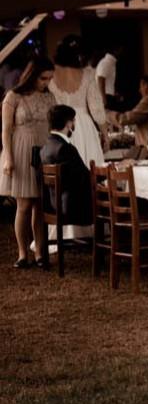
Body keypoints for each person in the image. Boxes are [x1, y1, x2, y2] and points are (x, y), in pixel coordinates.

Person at [1, 57, 56, 269]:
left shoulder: (49, 96)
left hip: (44, 150)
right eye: (43, 78)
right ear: (32, 75)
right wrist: (8, 157)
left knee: (41, 205)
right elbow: (5, 130)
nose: (46, 82)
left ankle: (41, 252)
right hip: (21, 150)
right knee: (24, 205)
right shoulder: (13, 96)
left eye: (50, 78)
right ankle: (23, 253)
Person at [49, 36, 106, 170]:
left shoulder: (50, 74)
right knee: (89, 169)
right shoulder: (87, 74)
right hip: (84, 126)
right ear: (78, 55)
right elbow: (96, 108)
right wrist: (105, 134)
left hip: (59, 125)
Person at [40, 104, 93, 228]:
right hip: (72, 208)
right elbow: (85, 177)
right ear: (69, 123)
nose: (74, 124)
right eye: (74, 120)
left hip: (52, 205)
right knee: (115, 199)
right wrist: (114, 170)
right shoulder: (65, 148)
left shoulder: (46, 147)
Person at [111, 74, 148, 147]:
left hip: (146, 144)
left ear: (147, 86)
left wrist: (108, 115)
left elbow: (128, 118)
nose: (139, 90)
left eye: (141, 86)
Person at [95, 42, 121, 110]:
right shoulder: (106, 62)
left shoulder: (111, 62)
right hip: (106, 97)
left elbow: (108, 81)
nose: (121, 52)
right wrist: (104, 99)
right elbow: (100, 79)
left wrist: (114, 92)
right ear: (116, 50)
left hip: (109, 96)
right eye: (120, 49)